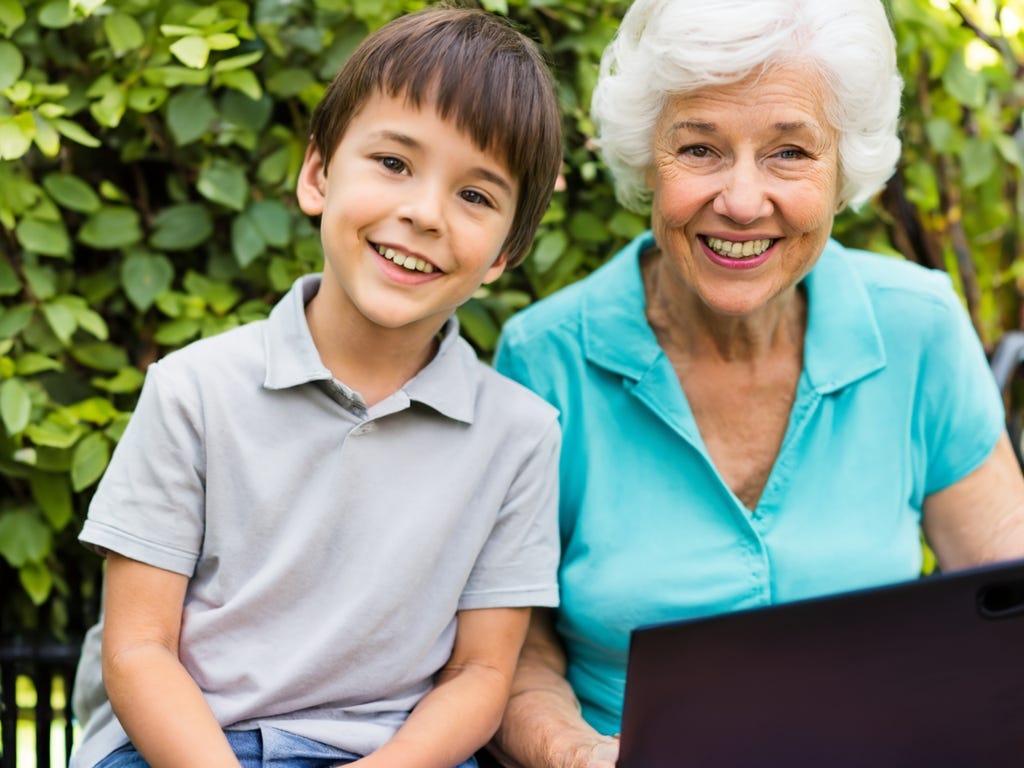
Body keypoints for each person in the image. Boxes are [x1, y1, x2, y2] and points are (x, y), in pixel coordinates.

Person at [485, 0, 1024, 766]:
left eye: (789, 153)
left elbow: (1007, 591)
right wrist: (573, 754)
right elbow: (514, 647)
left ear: (843, 169)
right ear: (647, 157)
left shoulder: (918, 327)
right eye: (700, 149)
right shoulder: (546, 361)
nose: (741, 201)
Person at [69, 7, 564, 768]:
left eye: (476, 196)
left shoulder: (521, 435)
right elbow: (138, 652)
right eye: (394, 163)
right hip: (185, 748)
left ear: (506, 253)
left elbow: (480, 673)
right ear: (316, 175)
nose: (423, 213)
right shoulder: (192, 391)